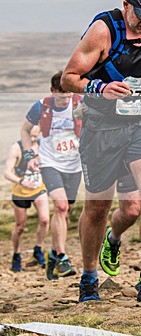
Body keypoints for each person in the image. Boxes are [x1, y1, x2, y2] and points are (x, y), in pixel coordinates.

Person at [62, 0, 141, 303]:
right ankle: (88, 278)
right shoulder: (103, 31)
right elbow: (69, 78)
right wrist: (100, 87)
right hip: (102, 125)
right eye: (140, 15)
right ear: (126, 5)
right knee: (98, 207)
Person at [21, 71, 82, 280]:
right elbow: (25, 130)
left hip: (74, 164)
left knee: (66, 212)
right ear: (52, 91)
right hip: (50, 163)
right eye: (61, 95)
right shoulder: (41, 106)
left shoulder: (79, 103)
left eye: (69, 94)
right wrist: (30, 156)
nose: (66, 99)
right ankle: (63, 258)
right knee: (61, 206)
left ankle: (53, 254)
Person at [4, 127, 49, 272]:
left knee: (44, 220)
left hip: (39, 188)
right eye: (30, 136)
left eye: (36, 136)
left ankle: (38, 249)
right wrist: (21, 181)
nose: (33, 139)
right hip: (21, 191)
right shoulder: (16, 148)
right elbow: (6, 172)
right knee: (20, 226)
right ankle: (16, 254)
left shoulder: (42, 145)